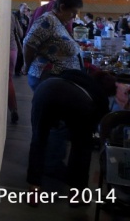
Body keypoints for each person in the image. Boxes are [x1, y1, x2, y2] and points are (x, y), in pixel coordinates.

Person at [26, 69, 116, 204]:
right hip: (79, 102)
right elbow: (102, 126)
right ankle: (76, 194)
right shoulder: (101, 97)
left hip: (46, 89)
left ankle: (34, 190)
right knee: (82, 147)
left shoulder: (80, 75)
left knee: (39, 140)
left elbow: (61, 77)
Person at [23, 0, 84, 92]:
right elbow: (29, 43)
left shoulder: (58, 21)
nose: (74, 16)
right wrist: (27, 66)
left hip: (57, 80)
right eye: (73, 12)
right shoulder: (48, 20)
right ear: (62, 7)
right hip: (49, 78)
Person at [9, 12, 23, 123]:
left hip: (0, 49)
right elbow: (20, 33)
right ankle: (13, 109)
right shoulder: (12, 15)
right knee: (9, 81)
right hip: (12, 49)